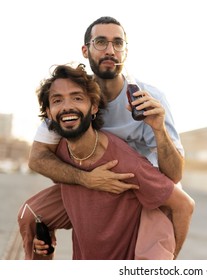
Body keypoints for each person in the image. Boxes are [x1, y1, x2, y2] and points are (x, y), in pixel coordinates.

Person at [18, 16, 185, 259]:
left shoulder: (149, 98)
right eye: (100, 42)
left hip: (135, 186)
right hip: (88, 181)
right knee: (30, 217)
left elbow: (175, 175)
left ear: (125, 52)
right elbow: (38, 158)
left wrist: (158, 129)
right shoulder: (72, 97)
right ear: (85, 50)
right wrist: (87, 180)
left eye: (118, 43)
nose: (110, 50)